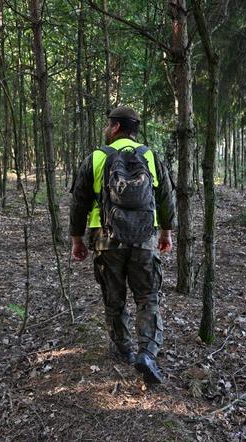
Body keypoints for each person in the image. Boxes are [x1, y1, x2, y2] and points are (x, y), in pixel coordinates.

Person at [69, 106, 176, 384]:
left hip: (105, 238)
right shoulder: (150, 156)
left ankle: (124, 350)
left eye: (108, 124)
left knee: (113, 299)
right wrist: (166, 232)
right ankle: (147, 352)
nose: (107, 128)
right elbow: (166, 197)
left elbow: (79, 202)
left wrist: (76, 239)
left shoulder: (96, 158)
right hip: (144, 237)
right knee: (147, 296)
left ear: (115, 127)